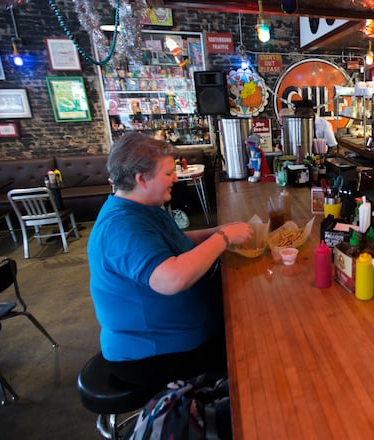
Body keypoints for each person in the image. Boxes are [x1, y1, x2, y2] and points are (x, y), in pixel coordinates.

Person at [88, 132, 253, 387]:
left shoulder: (143, 207)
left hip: (180, 336)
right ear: (142, 179)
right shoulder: (120, 228)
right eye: (168, 174)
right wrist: (223, 237)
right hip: (152, 355)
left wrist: (213, 232)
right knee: (255, 349)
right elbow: (172, 279)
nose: (175, 178)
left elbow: (172, 239)